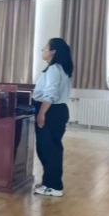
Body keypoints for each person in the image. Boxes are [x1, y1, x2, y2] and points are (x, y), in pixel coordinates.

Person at [33, 38, 73, 197]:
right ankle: (49, 182)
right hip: (57, 110)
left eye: (45, 48)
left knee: (47, 149)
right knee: (52, 148)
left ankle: (54, 186)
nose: (42, 50)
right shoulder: (61, 67)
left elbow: (51, 94)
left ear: (53, 52)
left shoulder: (54, 69)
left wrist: (42, 113)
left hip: (51, 111)